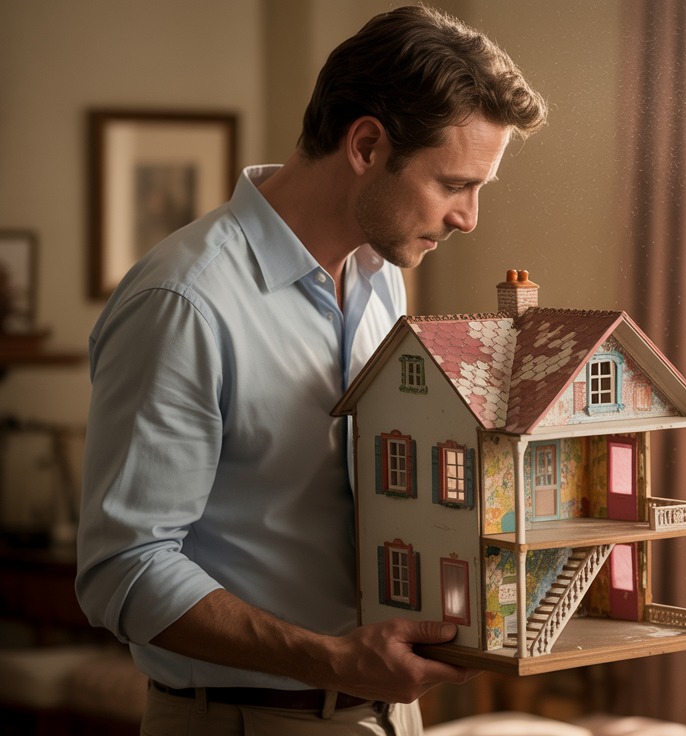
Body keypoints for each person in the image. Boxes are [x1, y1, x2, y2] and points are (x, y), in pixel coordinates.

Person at [74, 6, 548, 735]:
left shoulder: (381, 277)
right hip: (246, 721)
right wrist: (333, 659)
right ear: (365, 144)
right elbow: (123, 571)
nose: (470, 218)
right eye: (454, 183)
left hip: (387, 716)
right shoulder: (185, 302)